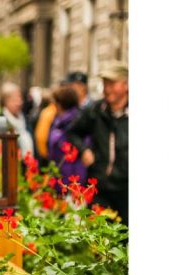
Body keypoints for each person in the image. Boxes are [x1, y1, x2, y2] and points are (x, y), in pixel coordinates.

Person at [65, 62, 128, 224]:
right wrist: (84, 150)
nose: (106, 89)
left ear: (126, 84)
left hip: (126, 191)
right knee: (100, 242)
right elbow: (72, 132)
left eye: (112, 84)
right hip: (100, 189)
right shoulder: (95, 110)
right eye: (105, 84)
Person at [47, 87, 86, 184]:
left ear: (60, 104)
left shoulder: (77, 123)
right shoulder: (58, 121)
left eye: (55, 102)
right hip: (58, 175)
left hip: (70, 179)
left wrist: (76, 183)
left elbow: (80, 158)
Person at [1, 82, 34, 158]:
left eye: (20, 98)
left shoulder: (25, 119)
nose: (19, 103)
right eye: (14, 99)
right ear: (5, 101)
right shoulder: (0, 120)